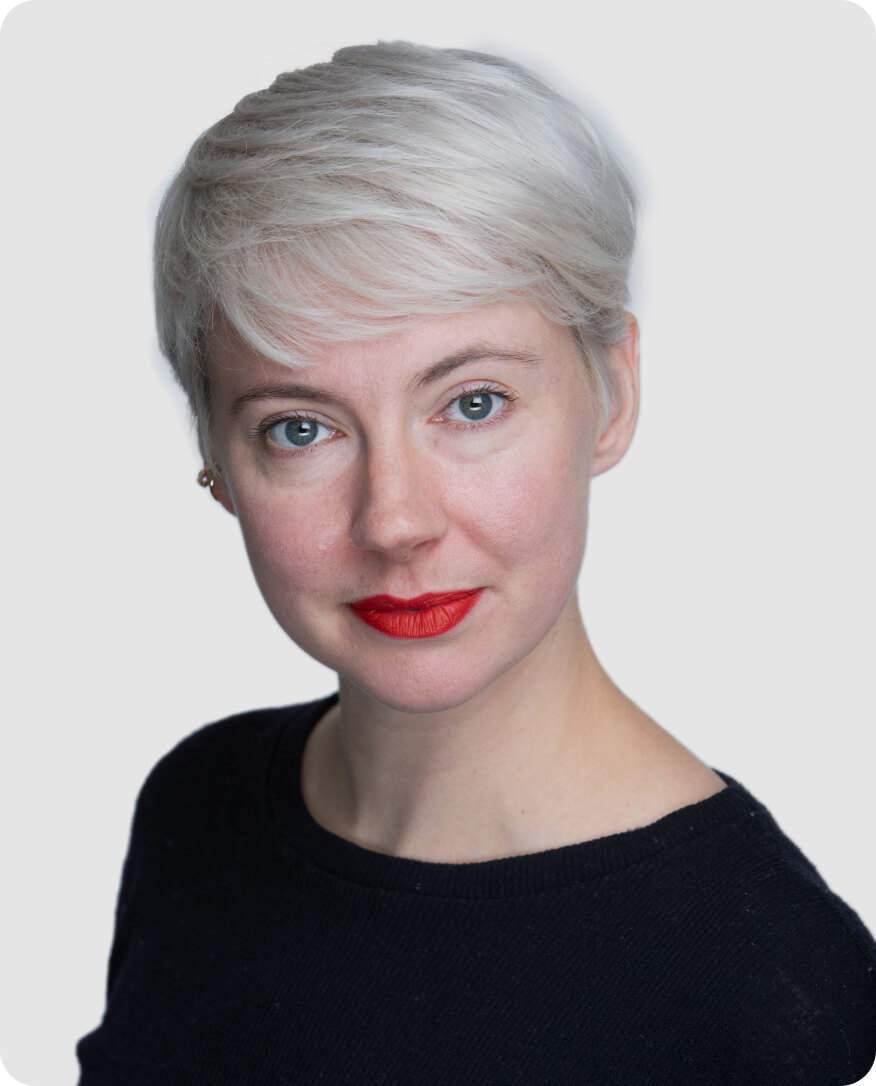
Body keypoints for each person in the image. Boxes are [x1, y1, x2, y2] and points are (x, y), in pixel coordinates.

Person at [76, 41, 876, 1084]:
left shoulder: (764, 980)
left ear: (613, 393)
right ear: (217, 458)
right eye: (300, 428)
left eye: (473, 403)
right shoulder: (196, 809)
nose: (394, 521)